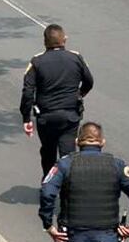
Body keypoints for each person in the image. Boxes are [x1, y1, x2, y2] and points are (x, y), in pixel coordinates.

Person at [20, 24, 95, 177]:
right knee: (68, 155)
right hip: (70, 116)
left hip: (46, 118)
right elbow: (89, 81)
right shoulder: (76, 58)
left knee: (48, 152)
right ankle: (68, 189)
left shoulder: (37, 62)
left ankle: (49, 184)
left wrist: (26, 118)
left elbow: (28, 92)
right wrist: (80, 94)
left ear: (45, 42)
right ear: (64, 39)